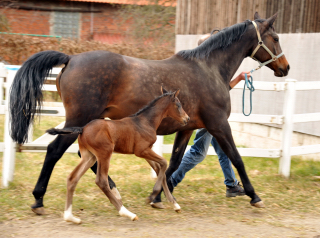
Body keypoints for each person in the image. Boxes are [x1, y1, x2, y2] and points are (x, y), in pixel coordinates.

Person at [152, 33, 251, 208]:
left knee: (223, 150)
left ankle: (231, 185)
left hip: (215, 115)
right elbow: (216, 93)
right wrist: (238, 79)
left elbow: (221, 89)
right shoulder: (203, 69)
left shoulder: (211, 68)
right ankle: (171, 182)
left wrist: (239, 77)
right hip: (208, 116)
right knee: (198, 151)